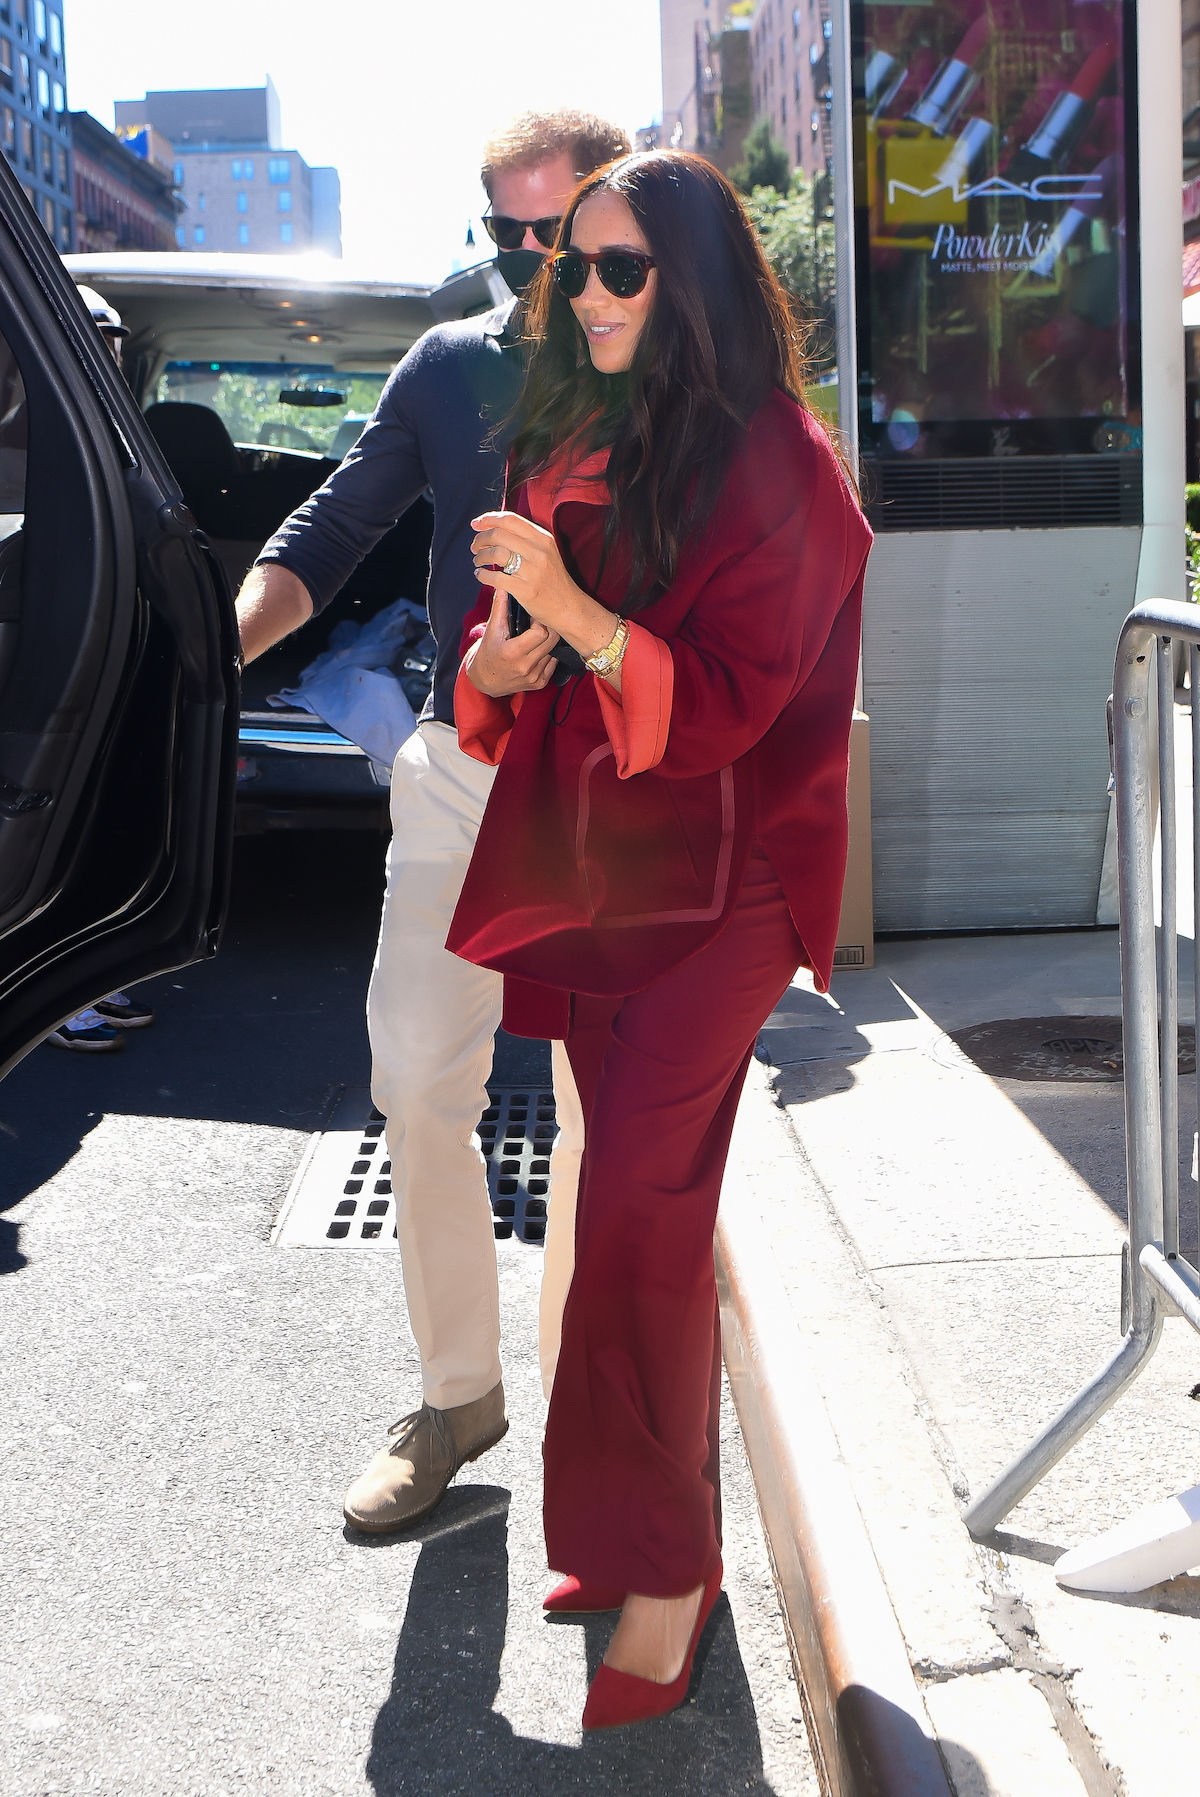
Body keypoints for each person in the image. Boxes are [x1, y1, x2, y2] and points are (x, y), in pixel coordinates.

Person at [449, 151, 872, 1728]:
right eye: (577, 267)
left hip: (733, 876)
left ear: (693, 282)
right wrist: (508, 651)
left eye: (627, 268)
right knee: (625, 1205)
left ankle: (673, 1567)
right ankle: (623, 1536)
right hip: (605, 861)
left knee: (638, 1197)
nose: (595, 294)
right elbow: (505, 688)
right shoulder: (582, 434)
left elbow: (734, 704)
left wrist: (572, 601)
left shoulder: (787, 462)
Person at [233, 110, 631, 1533]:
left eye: (561, 228)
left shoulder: (673, 376)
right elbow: (330, 533)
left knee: (603, 1115)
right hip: (464, 766)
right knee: (414, 1084)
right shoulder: (451, 366)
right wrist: (210, 654)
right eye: (506, 234)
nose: (534, 259)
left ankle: (592, 1401)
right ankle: (459, 1392)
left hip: (618, 788)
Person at [47, 290, 154, 1054]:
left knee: (95, 825)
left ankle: (82, 978)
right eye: (92, 338)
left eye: (112, 339)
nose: (106, 353)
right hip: (48, 653)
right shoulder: (38, 429)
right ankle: (53, 997)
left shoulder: (113, 430)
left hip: (100, 646)